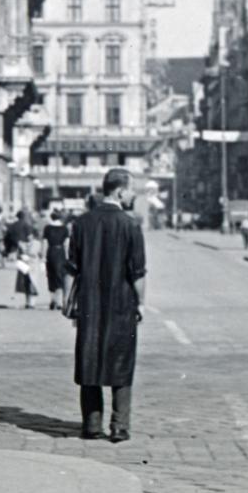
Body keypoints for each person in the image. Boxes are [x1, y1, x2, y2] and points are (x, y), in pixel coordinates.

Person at [67, 167, 147, 443]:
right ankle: (119, 426)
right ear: (120, 191)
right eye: (131, 189)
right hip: (121, 304)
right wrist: (142, 303)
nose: (133, 194)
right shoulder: (130, 224)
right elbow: (137, 272)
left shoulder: (81, 223)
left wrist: (69, 303)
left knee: (89, 360)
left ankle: (91, 425)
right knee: (122, 362)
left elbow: (71, 268)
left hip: (89, 304)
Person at [43, 206, 71, 311]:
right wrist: (68, 257)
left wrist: (43, 256)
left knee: (50, 275)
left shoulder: (47, 228)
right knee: (60, 276)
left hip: (50, 251)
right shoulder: (64, 229)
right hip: (60, 253)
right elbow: (66, 244)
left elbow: (45, 243)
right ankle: (58, 302)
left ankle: (52, 299)